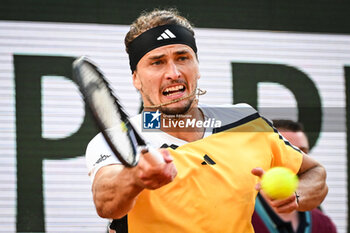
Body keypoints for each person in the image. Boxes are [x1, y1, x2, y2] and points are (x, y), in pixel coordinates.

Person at [85, 8, 328, 233]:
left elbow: (314, 172)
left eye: (182, 58)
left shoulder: (245, 122)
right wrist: (136, 177)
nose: (174, 73)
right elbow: (106, 203)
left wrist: (296, 195)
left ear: (197, 67)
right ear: (136, 79)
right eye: (157, 62)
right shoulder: (116, 139)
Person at [252, 119, 337, 233]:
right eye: (285, 153)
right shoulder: (237, 216)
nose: (295, 161)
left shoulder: (324, 224)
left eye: (302, 152)